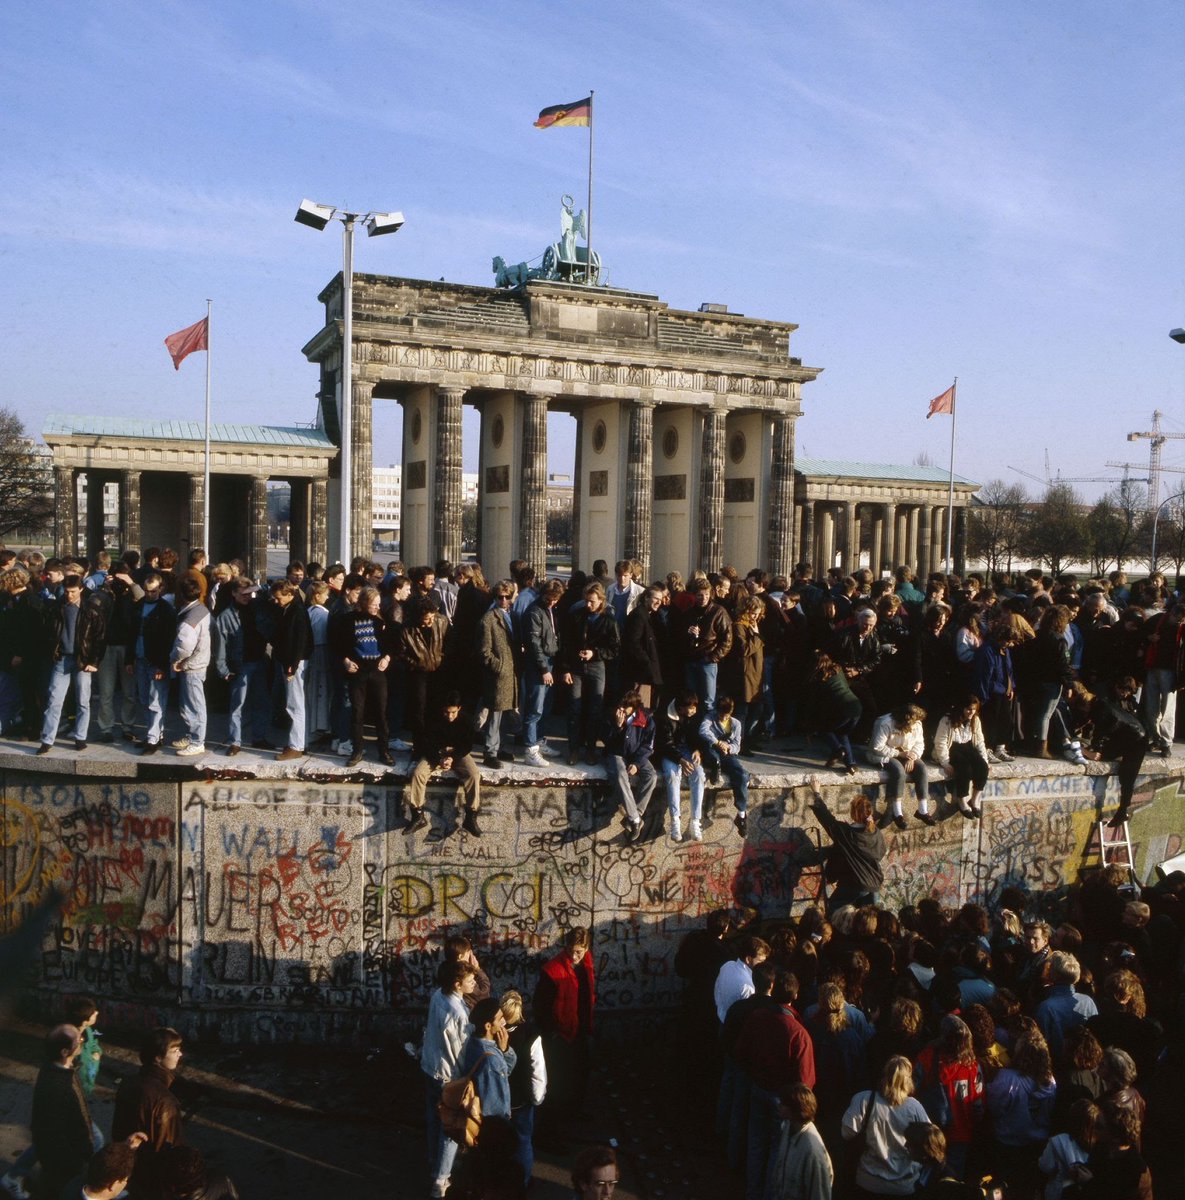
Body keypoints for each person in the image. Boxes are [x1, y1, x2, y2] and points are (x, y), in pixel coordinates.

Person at [420, 960, 478, 1200]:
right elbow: (460, 1052)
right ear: (457, 984)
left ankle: (435, 1163)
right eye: (470, 980)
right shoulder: (458, 1013)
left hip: (430, 1067)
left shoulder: (437, 996)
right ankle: (441, 1178)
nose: (474, 982)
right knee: (452, 1129)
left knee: (434, 1119)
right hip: (448, 1076)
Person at [534, 928, 595, 1150]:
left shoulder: (585, 964)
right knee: (557, 1085)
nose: (574, 956)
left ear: (586, 949)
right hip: (560, 1035)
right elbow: (540, 1006)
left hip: (577, 1030)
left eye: (579, 951)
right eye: (571, 951)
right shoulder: (553, 970)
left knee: (580, 1074)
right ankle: (549, 1134)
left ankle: (572, 1114)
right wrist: (551, 1033)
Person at [111, 1027, 185, 1200]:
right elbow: (172, 1146)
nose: (180, 1054)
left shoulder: (129, 1083)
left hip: (131, 1168)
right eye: (174, 1051)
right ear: (158, 1058)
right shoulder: (165, 1101)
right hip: (155, 1177)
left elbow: (118, 1129)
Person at [840, 1055, 930, 1196]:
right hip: (905, 1185)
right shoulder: (915, 1108)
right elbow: (929, 1140)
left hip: (868, 1181)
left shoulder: (863, 1100)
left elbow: (847, 1132)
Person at [37, 575, 106, 754]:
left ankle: (80, 737)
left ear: (81, 590)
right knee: (54, 700)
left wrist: (94, 661)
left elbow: (99, 638)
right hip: (62, 658)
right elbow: (48, 632)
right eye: (67, 592)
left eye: (73, 592)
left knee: (83, 700)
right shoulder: (56, 607)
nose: (69, 595)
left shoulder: (91, 610)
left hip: (82, 660)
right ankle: (47, 739)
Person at [29, 1025, 92, 1200]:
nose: (82, 1041)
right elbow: (65, 1127)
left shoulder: (52, 1069)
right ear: (65, 1052)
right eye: (79, 1040)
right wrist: (83, 1156)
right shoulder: (61, 1085)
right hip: (66, 1161)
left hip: (57, 1157)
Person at [406, 692, 482, 836]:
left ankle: (471, 817)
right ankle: (417, 815)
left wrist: (453, 757)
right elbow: (426, 744)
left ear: (459, 708)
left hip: (458, 753)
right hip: (436, 752)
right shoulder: (432, 718)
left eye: (453, 712)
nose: (450, 716)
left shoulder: (467, 720)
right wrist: (438, 758)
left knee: (473, 774)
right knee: (418, 774)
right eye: (446, 712)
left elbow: (467, 745)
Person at [211, 577, 271, 756]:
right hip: (240, 664)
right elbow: (220, 645)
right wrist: (223, 669)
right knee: (237, 705)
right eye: (243, 593)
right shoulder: (225, 616)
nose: (247, 596)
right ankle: (235, 741)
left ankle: (259, 737)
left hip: (260, 660)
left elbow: (267, 592)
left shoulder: (257, 606)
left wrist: (259, 590)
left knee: (261, 702)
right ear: (233, 593)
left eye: (249, 593)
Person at [561, 581, 619, 765]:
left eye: (592, 602)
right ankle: (574, 749)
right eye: (586, 601)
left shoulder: (609, 620)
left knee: (595, 708)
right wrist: (566, 668)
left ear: (601, 601)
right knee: (574, 709)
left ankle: (591, 749)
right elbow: (566, 644)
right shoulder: (577, 616)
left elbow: (615, 648)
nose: (588, 605)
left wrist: (595, 653)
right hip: (576, 667)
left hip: (597, 666)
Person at [808, 780, 886, 913]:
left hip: (855, 884)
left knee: (835, 908)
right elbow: (881, 853)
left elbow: (826, 818)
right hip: (874, 885)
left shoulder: (845, 833)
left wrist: (816, 793)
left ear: (853, 814)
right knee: (867, 921)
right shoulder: (875, 832)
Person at [341, 586, 393, 768]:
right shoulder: (348, 620)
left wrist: (387, 658)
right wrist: (345, 660)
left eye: (378, 604)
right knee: (357, 712)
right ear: (364, 603)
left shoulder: (380, 621)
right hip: (358, 671)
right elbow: (340, 643)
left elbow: (390, 644)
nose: (377, 608)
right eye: (373, 604)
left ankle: (384, 750)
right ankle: (357, 750)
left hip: (377, 671)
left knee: (381, 711)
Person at [499, 989, 546, 1189]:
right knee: (524, 1141)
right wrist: (537, 1097)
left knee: (499, 1143)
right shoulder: (531, 1035)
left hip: (499, 1100)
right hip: (522, 1100)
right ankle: (524, 1181)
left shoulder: (491, 1032)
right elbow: (538, 1070)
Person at [521, 579, 569, 768]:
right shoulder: (534, 612)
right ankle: (530, 748)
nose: (552, 603)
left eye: (555, 600)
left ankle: (539, 741)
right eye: (549, 599)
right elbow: (534, 644)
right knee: (535, 708)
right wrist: (543, 669)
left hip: (550, 661)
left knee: (545, 707)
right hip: (539, 665)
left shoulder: (549, 609)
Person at [865, 704, 936, 829]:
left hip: (906, 753)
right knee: (899, 771)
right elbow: (877, 747)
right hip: (884, 754)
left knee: (922, 769)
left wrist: (912, 757)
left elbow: (920, 744)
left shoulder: (917, 724)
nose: (914, 727)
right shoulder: (885, 723)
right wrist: (899, 754)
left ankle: (922, 810)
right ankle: (897, 812)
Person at [603, 687, 657, 843]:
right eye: (619, 705)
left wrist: (637, 764)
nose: (621, 709)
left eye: (624, 707)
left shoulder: (646, 719)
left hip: (636, 756)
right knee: (620, 775)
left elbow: (648, 746)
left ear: (634, 708)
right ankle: (635, 819)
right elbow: (607, 743)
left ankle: (635, 815)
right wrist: (618, 727)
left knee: (651, 776)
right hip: (616, 753)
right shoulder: (612, 716)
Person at [476, 580, 518, 769]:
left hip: (510, 672)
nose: (503, 600)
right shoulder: (489, 619)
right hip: (498, 673)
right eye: (500, 597)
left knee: (505, 712)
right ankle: (490, 751)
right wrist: (498, 666)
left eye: (507, 597)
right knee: (495, 713)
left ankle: (499, 747)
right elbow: (484, 650)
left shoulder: (510, 615)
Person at [765, 1084, 834, 1200]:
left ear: (795, 1110)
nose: (779, 1105)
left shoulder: (813, 1151)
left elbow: (820, 1195)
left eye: (784, 1104)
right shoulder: (788, 1126)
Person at [269, 580, 312, 762]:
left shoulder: (297, 612)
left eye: (279, 598)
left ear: (289, 595)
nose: (277, 601)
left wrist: (291, 667)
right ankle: (299, 742)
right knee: (297, 703)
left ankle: (296, 746)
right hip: (292, 661)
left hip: (293, 663)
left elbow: (298, 642)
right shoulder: (292, 609)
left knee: (294, 705)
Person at [656, 690, 707, 843]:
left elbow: (699, 737)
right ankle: (675, 821)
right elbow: (665, 745)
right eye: (691, 708)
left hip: (688, 750)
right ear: (680, 708)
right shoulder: (665, 717)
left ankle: (695, 821)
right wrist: (680, 760)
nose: (694, 710)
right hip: (669, 752)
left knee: (698, 774)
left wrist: (698, 750)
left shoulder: (695, 715)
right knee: (672, 776)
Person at [456, 997, 517, 1124]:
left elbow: (503, 1071)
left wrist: (505, 1049)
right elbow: (495, 1104)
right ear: (488, 1026)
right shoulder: (491, 1061)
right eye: (500, 1019)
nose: (504, 1022)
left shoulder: (474, 1042)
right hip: (494, 1124)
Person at [168, 575, 211, 757]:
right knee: (192, 703)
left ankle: (197, 741)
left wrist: (175, 659)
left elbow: (184, 645)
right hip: (198, 662)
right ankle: (192, 735)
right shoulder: (202, 610)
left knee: (193, 705)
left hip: (191, 665)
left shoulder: (189, 618)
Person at [698, 694, 750, 837]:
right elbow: (703, 731)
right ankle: (716, 769)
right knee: (714, 758)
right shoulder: (710, 717)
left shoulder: (736, 724)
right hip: (712, 750)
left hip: (727, 753)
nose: (724, 718)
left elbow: (737, 745)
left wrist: (728, 747)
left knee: (742, 775)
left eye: (726, 716)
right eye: (722, 715)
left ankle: (741, 815)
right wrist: (717, 742)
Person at [1035, 952, 1098, 1066]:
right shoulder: (1088, 1001)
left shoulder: (1046, 1007)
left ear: (1053, 974)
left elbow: (1043, 1045)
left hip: (1059, 1066)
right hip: (1087, 1064)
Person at [932, 695, 990, 818]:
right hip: (952, 747)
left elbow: (980, 741)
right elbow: (940, 742)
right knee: (965, 769)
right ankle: (962, 800)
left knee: (983, 767)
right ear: (962, 708)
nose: (971, 712)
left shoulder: (976, 720)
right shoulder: (947, 720)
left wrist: (985, 760)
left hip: (968, 746)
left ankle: (975, 800)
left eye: (974, 709)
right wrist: (945, 762)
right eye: (968, 709)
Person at [807, 652, 862, 775]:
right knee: (842, 733)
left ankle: (838, 750)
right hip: (856, 706)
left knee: (822, 729)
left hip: (843, 708)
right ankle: (851, 765)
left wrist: (810, 726)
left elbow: (816, 703)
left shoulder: (819, 678)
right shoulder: (838, 670)